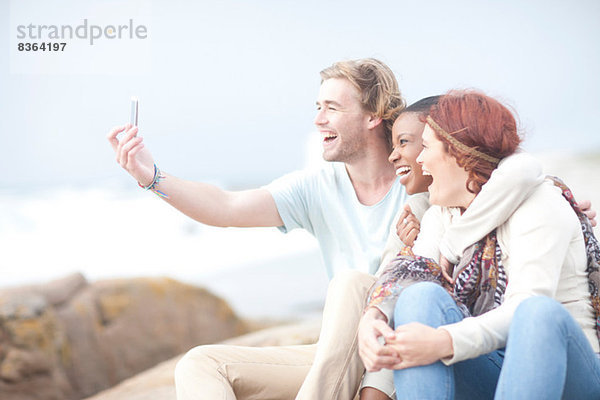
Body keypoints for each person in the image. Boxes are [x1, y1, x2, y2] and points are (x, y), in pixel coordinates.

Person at [360, 90, 600, 399]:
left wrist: (444, 341)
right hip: (497, 367)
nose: (420, 159)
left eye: (428, 147)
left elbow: (521, 311)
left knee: (537, 313)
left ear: (458, 153)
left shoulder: (540, 204)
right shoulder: (442, 217)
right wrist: (374, 316)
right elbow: (410, 273)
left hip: (570, 374)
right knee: (419, 297)